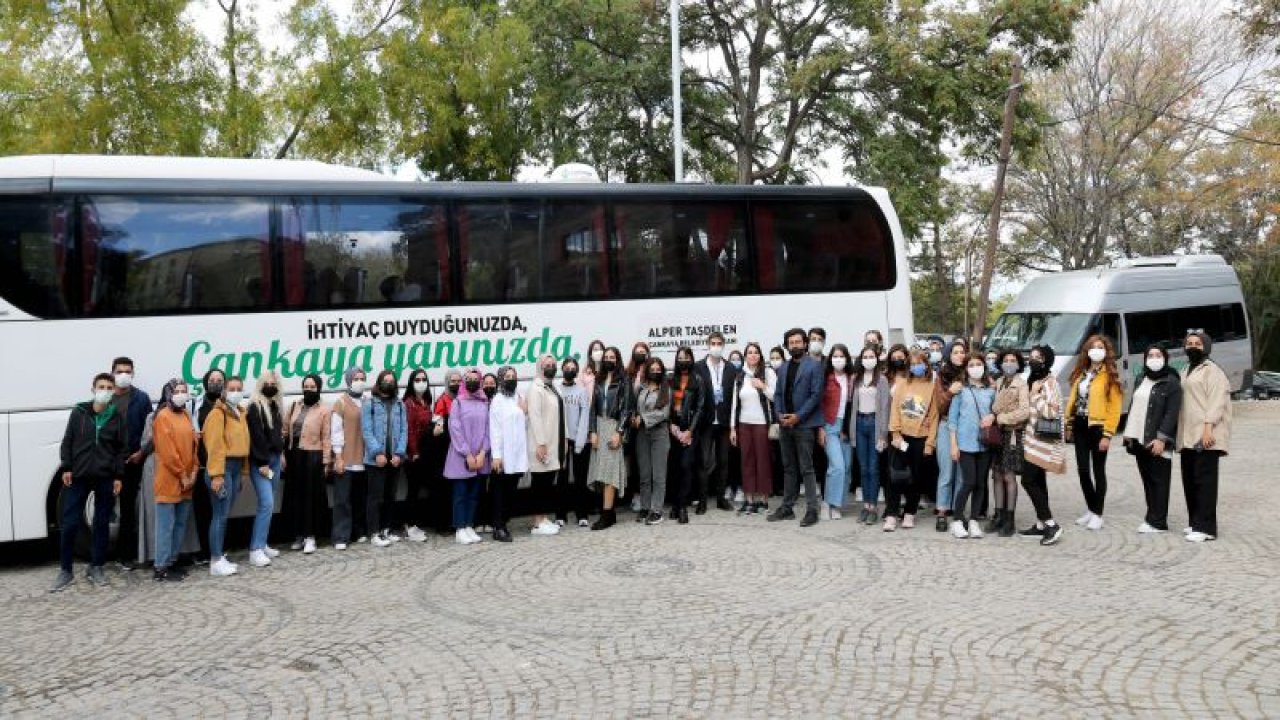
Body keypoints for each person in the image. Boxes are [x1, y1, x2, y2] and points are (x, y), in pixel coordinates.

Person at [51, 373, 126, 592]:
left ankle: (97, 566)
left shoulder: (116, 416)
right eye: (101, 386)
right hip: (79, 476)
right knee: (70, 523)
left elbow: (121, 449)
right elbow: (68, 442)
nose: (104, 390)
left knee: (101, 523)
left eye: (108, 387)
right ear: (93, 389)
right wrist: (66, 467)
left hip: (104, 476)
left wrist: (118, 476)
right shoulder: (79, 413)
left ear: (113, 392)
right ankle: (66, 570)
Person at [1177, 330, 1231, 543]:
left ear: (1206, 346)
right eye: (1189, 343)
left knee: (1205, 481)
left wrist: (1208, 428)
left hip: (1207, 434)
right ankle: (1194, 522)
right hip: (1188, 435)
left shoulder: (1213, 371)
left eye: (1197, 343)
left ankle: (1206, 527)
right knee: (1189, 479)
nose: (1192, 346)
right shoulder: (1185, 369)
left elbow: (1217, 401)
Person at [767, 328, 824, 527]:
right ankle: (787, 507)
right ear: (787, 345)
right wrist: (780, 415)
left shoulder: (815, 366)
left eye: (798, 342)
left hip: (804, 425)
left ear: (805, 343)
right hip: (785, 425)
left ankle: (811, 510)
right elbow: (777, 394)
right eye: (791, 343)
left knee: (807, 468)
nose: (795, 345)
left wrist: (798, 417)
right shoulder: (783, 368)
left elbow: (816, 396)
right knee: (788, 467)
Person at [1123, 345, 1182, 535]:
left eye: (1158, 355)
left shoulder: (1171, 382)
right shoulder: (1141, 378)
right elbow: (1135, 406)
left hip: (1156, 439)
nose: (1154, 358)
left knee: (1160, 480)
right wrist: (1129, 432)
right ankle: (1151, 517)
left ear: (1165, 358)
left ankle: (1159, 522)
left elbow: (1171, 414)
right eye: (1150, 355)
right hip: (1140, 437)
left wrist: (1162, 439)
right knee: (1147, 480)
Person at [1065, 334, 1122, 531]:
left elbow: (1115, 408)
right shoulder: (1080, 373)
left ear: (1105, 351)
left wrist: (1107, 434)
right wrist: (1069, 424)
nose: (1096, 350)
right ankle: (1091, 507)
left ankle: (1098, 513)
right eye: (1093, 347)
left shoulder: (1110, 375)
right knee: (1082, 469)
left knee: (1098, 471)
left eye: (1100, 347)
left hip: (1098, 427)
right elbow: (1073, 401)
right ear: (1087, 351)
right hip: (1080, 425)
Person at [885, 348, 939, 532]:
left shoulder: (932, 387)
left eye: (920, 363)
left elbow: (934, 417)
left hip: (921, 439)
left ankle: (910, 513)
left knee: (916, 478)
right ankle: (891, 514)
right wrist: (895, 433)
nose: (916, 367)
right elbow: (895, 410)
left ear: (926, 365)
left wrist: (930, 443)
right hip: (901, 437)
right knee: (894, 476)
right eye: (913, 364)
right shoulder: (901, 384)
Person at [1019, 345, 1066, 546]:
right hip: (1032, 440)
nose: (1033, 360)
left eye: (1038, 357)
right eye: (1032, 356)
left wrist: (1034, 395)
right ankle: (1040, 524)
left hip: (1042, 441)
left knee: (1028, 481)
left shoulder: (1049, 382)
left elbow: (1051, 413)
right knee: (1038, 480)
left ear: (1046, 360)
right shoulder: (1034, 380)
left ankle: (1051, 523)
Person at [151, 379, 198, 582]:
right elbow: (168, 452)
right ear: (169, 393)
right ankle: (160, 566)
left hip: (187, 480)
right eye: (176, 391)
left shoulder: (186, 414)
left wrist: (194, 471)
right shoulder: (162, 417)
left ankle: (172, 561)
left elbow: (194, 445)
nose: (180, 394)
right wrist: (183, 475)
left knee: (180, 524)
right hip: (170, 479)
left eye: (183, 391)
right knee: (166, 525)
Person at [203, 375, 250, 577]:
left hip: (235, 467)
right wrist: (216, 475)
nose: (236, 392)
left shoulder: (240, 412)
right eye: (231, 388)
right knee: (220, 515)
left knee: (224, 514)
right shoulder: (217, 414)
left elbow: (245, 443)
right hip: (222, 468)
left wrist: (243, 471)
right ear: (223, 391)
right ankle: (215, 560)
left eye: (239, 388)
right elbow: (214, 446)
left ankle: (220, 555)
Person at [110, 356, 153, 570]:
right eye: (119, 371)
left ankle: (125, 555)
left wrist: (141, 453)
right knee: (105, 509)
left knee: (129, 510)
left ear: (133, 374)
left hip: (133, 461)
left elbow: (149, 430)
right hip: (109, 463)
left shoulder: (141, 398)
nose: (124, 375)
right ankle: (99, 559)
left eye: (127, 371)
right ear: (112, 374)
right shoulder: (106, 399)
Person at [948, 353, 996, 539]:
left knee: (980, 483)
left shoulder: (991, 391)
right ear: (966, 368)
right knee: (968, 481)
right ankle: (958, 519)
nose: (975, 367)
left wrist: (992, 416)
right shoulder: (961, 390)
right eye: (971, 364)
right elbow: (952, 420)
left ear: (984, 366)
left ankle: (974, 519)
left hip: (984, 444)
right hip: (965, 443)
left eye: (979, 364)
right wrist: (954, 444)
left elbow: (996, 413)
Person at [693, 331, 739, 513]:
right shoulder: (698, 367)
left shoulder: (730, 368)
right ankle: (703, 500)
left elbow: (734, 398)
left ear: (723, 345)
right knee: (703, 462)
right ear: (708, 344)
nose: (716, 346)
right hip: (705, 422)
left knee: (723, 461)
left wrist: (733, 424)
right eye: (713, 343)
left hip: (724, 422)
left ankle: (721, 499)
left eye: (719, 343)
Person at [284, 374, 330, 554]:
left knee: (311, 498)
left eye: (312, 387)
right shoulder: (294, 406)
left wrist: (327, 461)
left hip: (312, 456)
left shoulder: (324, 410)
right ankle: (298, 535)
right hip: (294, 456)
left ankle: (310, 536)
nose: (308, 390)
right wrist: (282, 453)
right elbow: (284, 430)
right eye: (306, 386)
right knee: (295, 496)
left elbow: (326, 437)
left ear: (318, 388)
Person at [588, 347, 633, 530]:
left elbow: (627, 409)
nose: (608, 360)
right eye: (606, 357)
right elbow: (593, 408)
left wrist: (619, 432)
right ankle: (610, 513)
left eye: (612, 357)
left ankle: (606, 516)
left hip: (613, 427)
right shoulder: (598, 380)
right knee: (600, 474)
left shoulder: (624, 380)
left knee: (609, 475)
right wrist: (592, 431)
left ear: (618, 360)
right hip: (599, 427)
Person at [362, 369, 408, 547]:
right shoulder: (369, 404)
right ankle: (373, 532)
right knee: (374, 497)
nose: (389, 383)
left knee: (391, 495)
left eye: (391, 381)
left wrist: (399, 453)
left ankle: (386, 529)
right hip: (376, 459)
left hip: (394, 458)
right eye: (385, 380)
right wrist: (377, 453)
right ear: (379, 382)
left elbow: (404, 430)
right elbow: (366, 431)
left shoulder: (399, 404)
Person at [445, 369, 491, 544]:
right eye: (469, 379)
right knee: (460, 494)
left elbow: (488, 429)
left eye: (475, 379)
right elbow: (455, 429)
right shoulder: (458, 402)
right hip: (461, 457)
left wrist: (482, 452)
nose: (472, 382)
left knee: (474, 494)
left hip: (480, 457)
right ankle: (460, 527)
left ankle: (469, 525)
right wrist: (467, 453)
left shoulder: (484, 402)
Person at [987, 349, 1030, 537]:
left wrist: (1002, 418)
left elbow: (1024, 411)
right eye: (1006, 360)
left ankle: (1010, 520)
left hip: (1012, 433)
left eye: (1013, 360)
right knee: (996, 474)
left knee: (1009, 476)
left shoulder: (1021, 385)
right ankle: (998, 514)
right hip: (997, 434)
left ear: (1019, 364)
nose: (1009, 363)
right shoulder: (997, 383)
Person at [730, 342, 776, 515]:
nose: (753, 355)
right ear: (745, 356)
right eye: (749, 352)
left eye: (756, 352)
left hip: (762, 424)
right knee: (747, 461)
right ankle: (749, 500)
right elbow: (735, 403)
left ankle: (763, 501)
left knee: (763, 461)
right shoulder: (740, 376)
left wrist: (763, 386)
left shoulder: (768, 372)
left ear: (760, 355)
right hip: (744, 424)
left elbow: (775, 395)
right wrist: (733, 428)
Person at [245, 370, 285, 567]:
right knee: (266, 503)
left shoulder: (275, 405)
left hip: (275, 459)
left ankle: (263, 543)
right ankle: (255, 549)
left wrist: (281, 453)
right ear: (260, 385)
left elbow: (277, 433)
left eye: (274, 382)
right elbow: (256, 437)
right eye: (267, 383)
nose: (271, 386)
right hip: (262, 462)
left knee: (270, 503)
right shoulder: (254, 407)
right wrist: (262, 462)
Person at [488, 365, 530, 542]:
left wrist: (525, 411)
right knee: (500, 491)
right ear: (501, 379)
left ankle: (504, 521)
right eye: (507, 376)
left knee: (511, 490)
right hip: (503, 455)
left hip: (518, 454)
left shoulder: (518, 397)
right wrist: (496, 455)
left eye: (513, 376)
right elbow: (495, 429)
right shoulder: (497, 400)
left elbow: (524, 424)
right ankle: (498, 527)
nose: (511, 379)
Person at [330, 367, 368, 551]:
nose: (360, 381)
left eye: (362, 378)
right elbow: (336, 431)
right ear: (348, 381)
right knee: (342, 500)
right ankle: (341, 536)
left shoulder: (368, 401)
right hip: (347, 457)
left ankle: (358, 531)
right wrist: (338, 456)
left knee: (360, 498)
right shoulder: (341, 403)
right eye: (356, 378)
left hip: (365, 458)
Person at [851, 344, 890, 524]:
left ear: (876, 359)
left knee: (873, 468)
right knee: (863, 467)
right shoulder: (857, 379)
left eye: (871, 356)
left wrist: (883, 434)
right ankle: (865, 506)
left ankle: (873, 506)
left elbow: (885, 407)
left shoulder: (881, 379)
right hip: (859, 423)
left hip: (874, 423)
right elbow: (852, 406)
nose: (868, 360)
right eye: (865, 356)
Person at [528, 354, 567, 533]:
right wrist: (541, 443)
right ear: (539, 367)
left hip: (554, 442)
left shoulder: (551, 387)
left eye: (553, 364)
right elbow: (535, 416)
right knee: (540, 483)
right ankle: (537, 522)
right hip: (542, 444)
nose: (551, 367)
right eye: (547, 364)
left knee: (547, 481)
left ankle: (543, 518)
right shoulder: (535, 388)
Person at [932, 340, 968, 531]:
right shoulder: (942, 376)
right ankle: (942, 510)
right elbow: (939, 405)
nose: (959, 355)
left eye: (962, 352)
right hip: (946, 426)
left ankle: (958, 509)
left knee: (962, 473)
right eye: (955, 352)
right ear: (948, 355)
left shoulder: (971, 374)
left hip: (966, 428)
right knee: (946, 472)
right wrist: (950, 393)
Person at [632, 357, 672, 525]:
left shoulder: (665, 389)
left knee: (658, 475)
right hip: (642, 434)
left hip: (659, 433)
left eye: (658, 369)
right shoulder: (641, 389)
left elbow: (664, 413)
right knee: (645, 474)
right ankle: (645, 507)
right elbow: (635, 407)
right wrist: (635, 418)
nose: (655, 372)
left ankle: (657, 510)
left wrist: (644, 418)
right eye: (652, 369)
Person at [668, 346, 705, 524]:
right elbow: (664, 405)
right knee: (674, 468)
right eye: (680, 357)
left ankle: (683, 506)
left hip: (691, 430)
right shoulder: (669, 379)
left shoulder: (698, 379)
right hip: (673, 429)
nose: (683, 360)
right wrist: (672, 426)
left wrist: (690, 431)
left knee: (686, 466)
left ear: (691, 359)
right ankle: (675, 504)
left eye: (686, 357)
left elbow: (700, 407)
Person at [192, 369, 225, 565]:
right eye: (212, 380)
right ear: (205, 383)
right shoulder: (197, 404)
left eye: (219, 380)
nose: (215, 383)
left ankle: (217, 550)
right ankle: (205, 551)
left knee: (220, 510)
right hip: (203, 464)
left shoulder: (228, 404)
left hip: (222, 464)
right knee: (203, 510)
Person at [557, 357, 594, 528]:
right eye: (567, 367)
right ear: (562, 369)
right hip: (560, 441)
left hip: (578, 440)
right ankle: (560, 514)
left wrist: (579, 443)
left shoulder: (581, 391)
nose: (570, 370)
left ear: (576, 371)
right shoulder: (556, 389)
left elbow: (584, 417)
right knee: (562, 478)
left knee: (580, 478)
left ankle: (582, 514)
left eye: (573, 368)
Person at [819, 343, 854, 519]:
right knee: (837, 466)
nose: (838, 359)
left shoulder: (852, 378)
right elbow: (819, 404)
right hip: (829, 425)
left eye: (841, 356)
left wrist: (847, 428)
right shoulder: (825, 377)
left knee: (847, 467)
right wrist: (820, 428)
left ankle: (838, 504)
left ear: (847, 359)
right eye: (835, 356)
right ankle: (828, 502)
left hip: (846, 427)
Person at [400, 369, 433, 542]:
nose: (421, 382)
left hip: (425, 452)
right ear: (412, 382)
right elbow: (409, 430)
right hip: (414, 454)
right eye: (417, 379)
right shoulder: (409, 403)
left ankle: (414, 523)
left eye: (424, 379)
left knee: (419, 490)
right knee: (412, 490)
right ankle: (409, 526)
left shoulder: (425, 401)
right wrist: (414, 452)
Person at [429, 369, 463, 534]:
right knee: (442, 488)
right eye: (453, 381)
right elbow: (437, 425)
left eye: (458, 381)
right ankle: (441, 524)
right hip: (444, 449)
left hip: (457, 448)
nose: (456, 384)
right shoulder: (442, 401)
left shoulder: (462, 399)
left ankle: (452, 521)